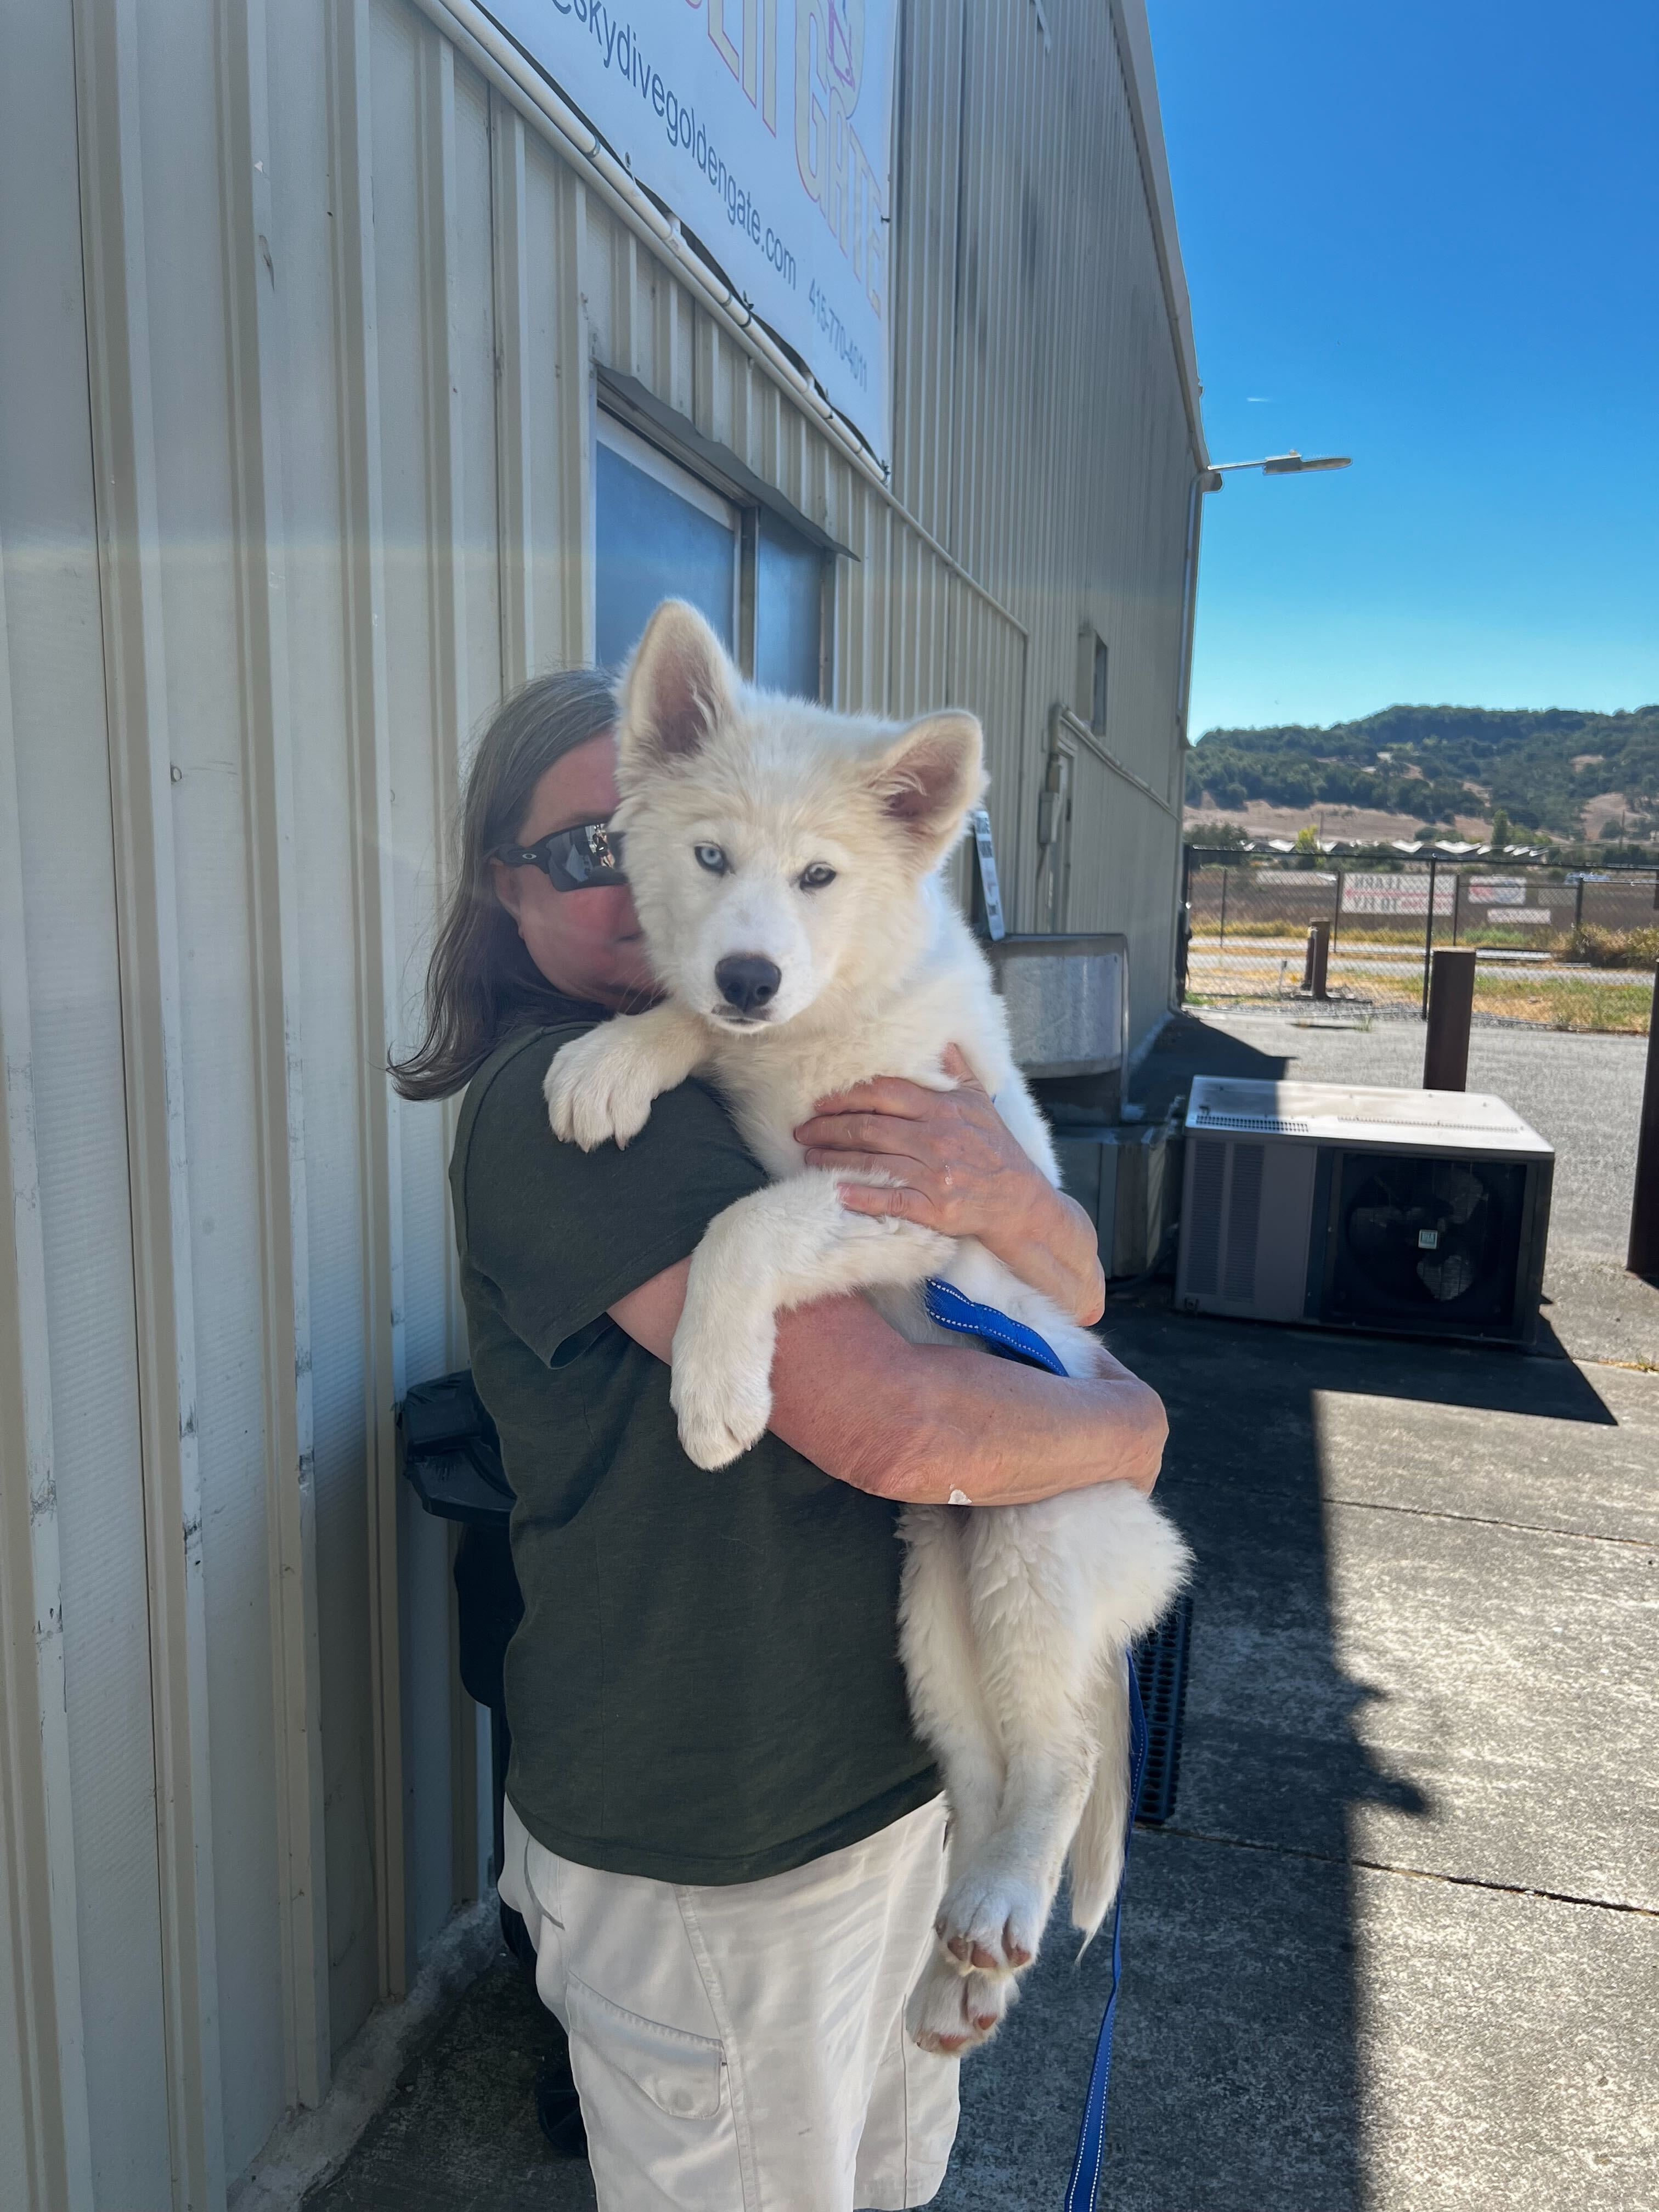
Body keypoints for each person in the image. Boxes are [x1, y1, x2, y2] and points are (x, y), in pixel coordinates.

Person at [392, 670, 1167, 2212]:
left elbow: (1067, 1278)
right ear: (499, 886)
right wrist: (1126, 1423)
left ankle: (1026, 1833)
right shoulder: (563, 1102)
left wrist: (1021, 1207)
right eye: (588, 849)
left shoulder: (784, 1015)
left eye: (637, 835)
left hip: (870, 1779)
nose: (642, 877)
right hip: (723, 1830)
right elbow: (895, 1425)